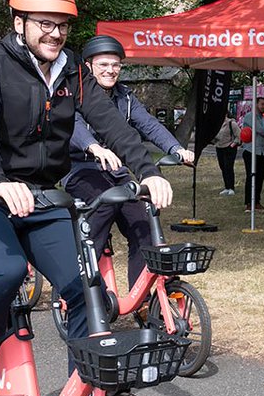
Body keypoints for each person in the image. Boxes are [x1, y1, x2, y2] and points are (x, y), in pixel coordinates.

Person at [0, 0, 172, 396]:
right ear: (19, 22)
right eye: (44, 24)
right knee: (8, 268)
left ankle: (84, 392)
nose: (55, 33)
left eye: (62, 25)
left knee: (86, 291)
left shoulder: (72, 71)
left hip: (42, 198)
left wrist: (147, 171)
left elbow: (112, 124)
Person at [66, 34, 194, 289]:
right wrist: (92, 147)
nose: (110, 70)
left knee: (144, 222)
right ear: (88, 66)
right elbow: (73, 124)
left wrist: (176, 148)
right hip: (80, 168)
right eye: (103, 64)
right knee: (103, 207)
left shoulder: (124, 97)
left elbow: (149, 125)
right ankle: (81, 284)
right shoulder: (76, 93)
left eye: (115, 65)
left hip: (115, 171)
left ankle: (144, 296)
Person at [241, 96, 264, 211]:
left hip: (262, 152)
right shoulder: (250, 116)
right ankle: (249, 202)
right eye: (262, 104)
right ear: (256, 105)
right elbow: (261, 130)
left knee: (260, 178)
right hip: (251, 151)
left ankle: (257, 201)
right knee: (251, 177)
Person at [213, 112, 240, 196]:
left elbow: (239, 135)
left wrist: (233, 144)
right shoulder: (217, 124)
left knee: (228, 167)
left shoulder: (232, 123)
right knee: (223, 167)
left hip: (229, 148)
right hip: (219, 147)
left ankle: (231, 188)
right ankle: (227, 187)